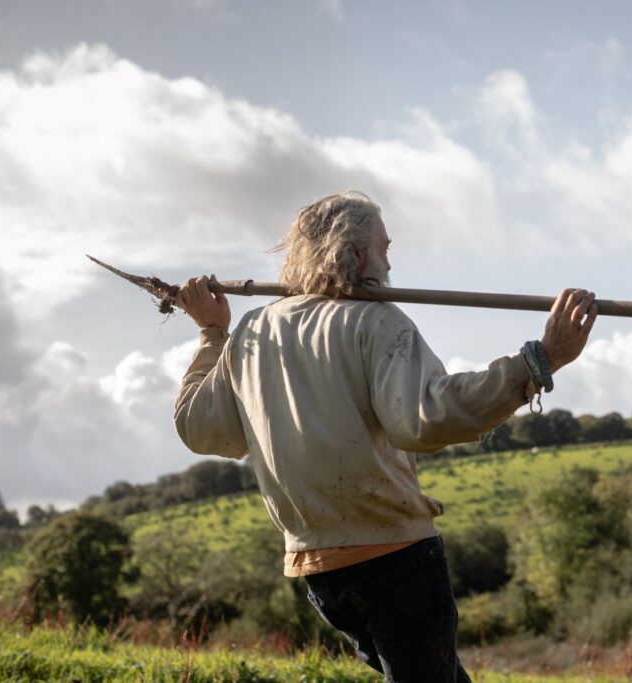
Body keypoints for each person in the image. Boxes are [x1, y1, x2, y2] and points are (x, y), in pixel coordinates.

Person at [173, 190, 597, 682]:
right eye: (384, 247)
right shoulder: (375, 322)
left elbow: (201, 428)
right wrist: (539, 361)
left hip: (319, 570)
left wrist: (212, 334)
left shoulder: (251, 332)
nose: (389, 260)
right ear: (357, 255)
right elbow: (427, 418)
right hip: (394, 560)